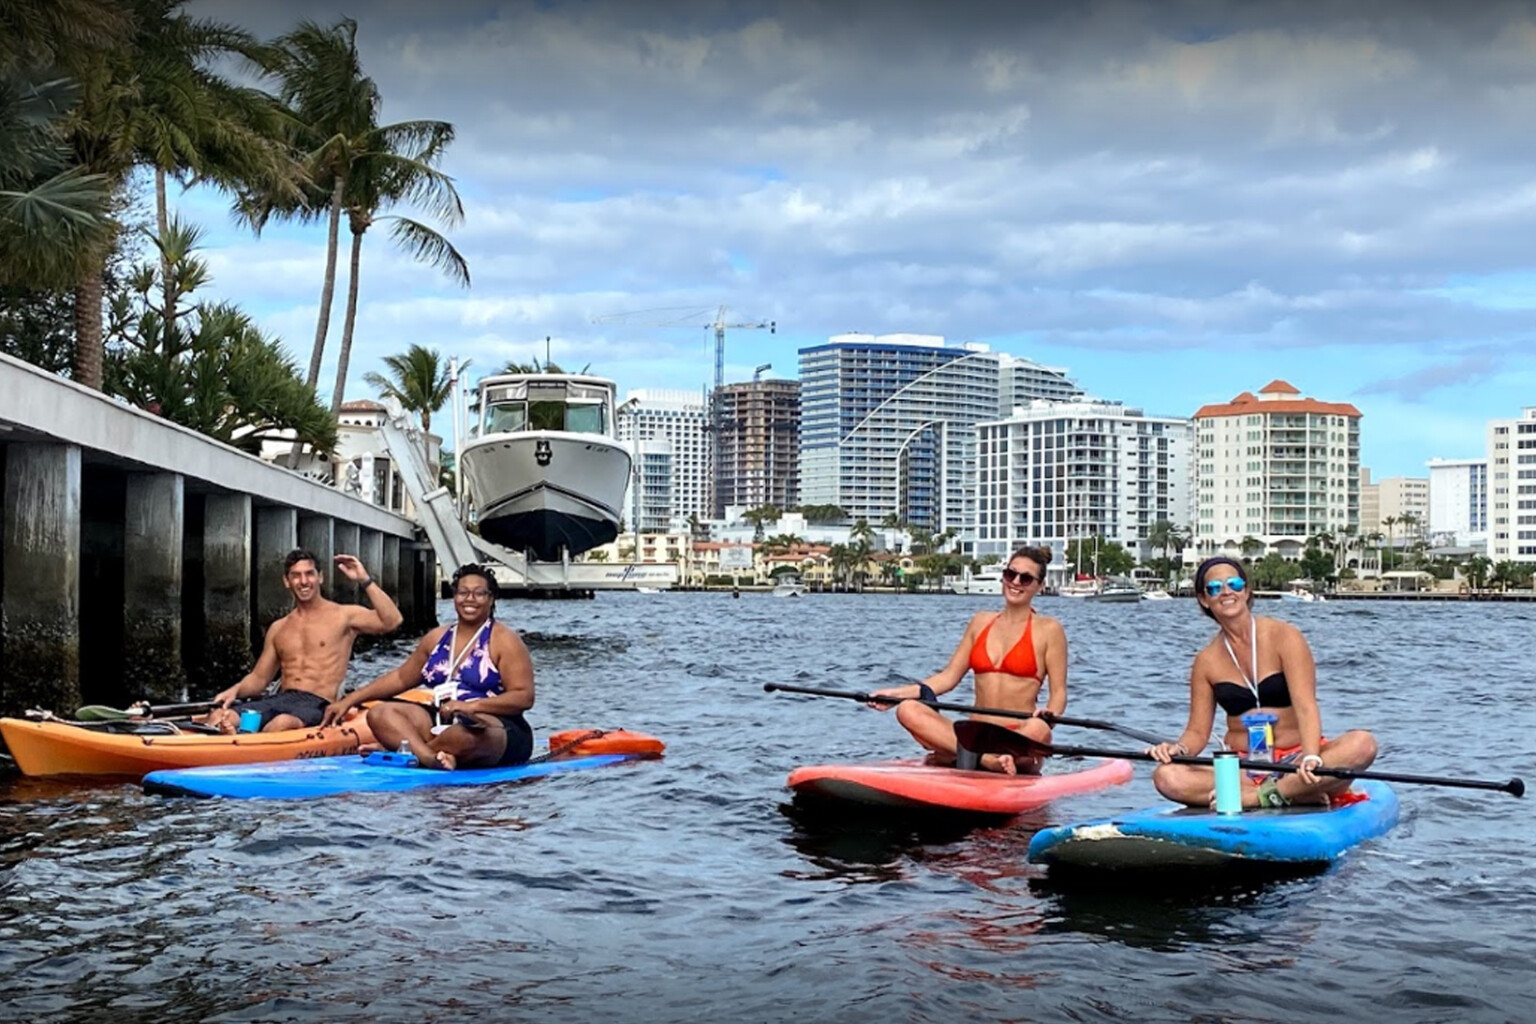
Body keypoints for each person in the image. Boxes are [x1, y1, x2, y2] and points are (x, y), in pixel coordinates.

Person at [1147, 556, 1378, 807]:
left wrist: (1311, 757)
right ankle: (1294, 793)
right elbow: (1197, 732)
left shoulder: (1285, 636)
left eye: (1234, 584)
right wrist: (1177, 749)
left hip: (1296, 760)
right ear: (1204, 599)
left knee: (1362, 744)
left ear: (1246, 591)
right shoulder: (1206, 661)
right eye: (1214, 588)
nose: (1226, 592)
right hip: (1243, 768)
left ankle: (1262, 796)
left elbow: (1306, 706)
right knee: (1167, 776)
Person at [867, 545, 1067, 774]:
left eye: (1026, 578)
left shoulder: (1049, 630)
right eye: (1010, 574)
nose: (1015, 582)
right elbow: (948, 677)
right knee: (908, 709)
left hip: (1017, 735)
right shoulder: (980, 622)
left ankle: (962, 755)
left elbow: (1059, 693)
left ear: (1039, 586)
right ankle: (985, 759)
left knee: (1040, 730)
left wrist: (1049, 716)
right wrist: (896, 695)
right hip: (973, 735)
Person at [321, 563, 535, 770]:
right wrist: (350, 700)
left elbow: (523, 697)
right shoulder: (436, 638)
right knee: (379, 714)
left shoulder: (504, 640)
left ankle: (407, 751)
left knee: (461, 736)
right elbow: (401, 678)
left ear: (491, 598)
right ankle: (431, 758)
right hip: (442, 719)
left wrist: (472, 707)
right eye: (463, 592)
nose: (470, 599)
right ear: (454, 596)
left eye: (479, 593)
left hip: (494, 727)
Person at [205, 549, 404, 733]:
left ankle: (246, 745)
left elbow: (392, 621)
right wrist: (234, 691)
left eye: (309, 574)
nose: (303, 581)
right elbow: (259, 678)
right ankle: (231, 743)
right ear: (287, 581)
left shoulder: (343, 616)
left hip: (319, 703)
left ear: (320, 577)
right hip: (281, 699)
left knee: (281, 724)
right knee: (219, 716)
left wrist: (364, 579)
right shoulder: (279, 628)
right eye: (296, 575)